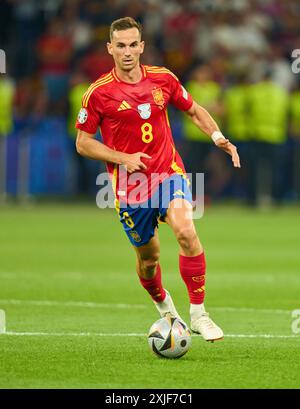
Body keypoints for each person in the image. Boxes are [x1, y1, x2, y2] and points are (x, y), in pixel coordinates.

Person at [75, 17, 240, 341]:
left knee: (186, 231)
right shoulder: (98, 93)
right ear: (110, 48)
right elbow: (83, 142)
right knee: (148, 260)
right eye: (120, 45)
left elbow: (193, 110)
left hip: (168, 173)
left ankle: (199, 314)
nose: (126, 51)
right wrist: (123, 158)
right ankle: (164, 305)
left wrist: (217, 135)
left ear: (141, 46)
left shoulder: (163, 79)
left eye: (132, 44)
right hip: (129, 187)